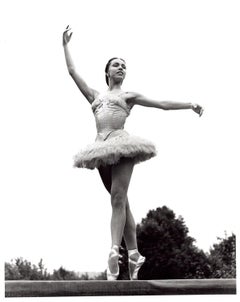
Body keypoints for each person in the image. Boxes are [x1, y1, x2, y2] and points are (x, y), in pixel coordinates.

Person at [62, 25, 203, 281]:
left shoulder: (129, 96)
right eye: (116, 64)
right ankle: (135, 254)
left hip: (122, 146)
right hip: (100, 149)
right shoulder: (94, 95)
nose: (120, 68)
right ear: (106, 72)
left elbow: (162, 105)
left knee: (117, 198)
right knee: (122, 202)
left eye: (124, 65)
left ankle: (115, 251)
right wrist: (65, 45)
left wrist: (189, 104)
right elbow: (72, 72)